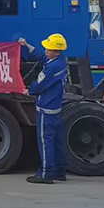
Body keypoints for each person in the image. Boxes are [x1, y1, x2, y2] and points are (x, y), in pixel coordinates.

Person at [19, 33, 69, 184]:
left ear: (57, 51)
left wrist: (29, 91)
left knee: (45, 141)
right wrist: (27, 45)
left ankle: (46, 174)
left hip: (46, 110)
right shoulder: (60, 61)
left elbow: (40, 84)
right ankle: (60, 171)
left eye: (49, 49)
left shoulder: (52, 68)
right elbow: (42, 57)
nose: (46, 50)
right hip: (55, 109)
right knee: (58, 141)